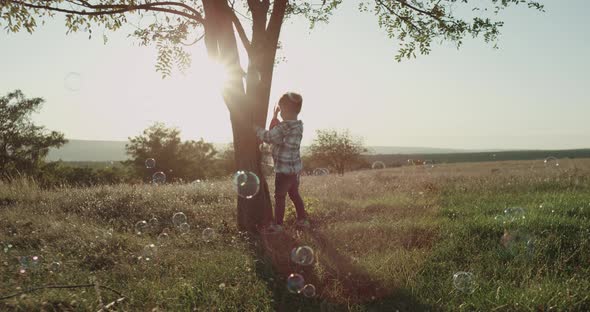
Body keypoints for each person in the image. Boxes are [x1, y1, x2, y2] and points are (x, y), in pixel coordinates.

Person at [255, 92, 310, 233]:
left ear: (285, 108)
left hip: (283, 170)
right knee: (294, 194)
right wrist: (275, 116)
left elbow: (269, 136)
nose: (280, 113)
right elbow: (278, 133)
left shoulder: (284, 127)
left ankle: (278, 225)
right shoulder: (298, 126)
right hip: (294, 170)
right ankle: (302, 219)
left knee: (280, 196)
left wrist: (255, 128)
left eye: (281, 109)